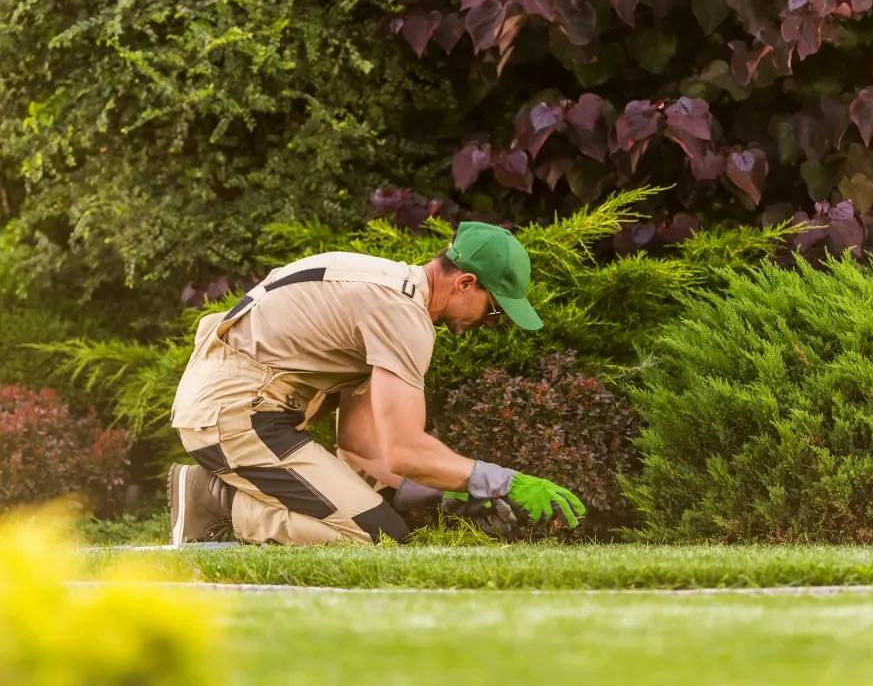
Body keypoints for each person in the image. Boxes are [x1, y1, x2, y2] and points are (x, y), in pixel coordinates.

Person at [168, 220, 585, 546]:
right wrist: (503, 482)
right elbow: (405, 451)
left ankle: (221, 495)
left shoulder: (387, 292)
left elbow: (359, 444)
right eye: (493, 311)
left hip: (243, 408)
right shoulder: (402, 316)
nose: (489, 324)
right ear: (465, 284)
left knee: (383, 517)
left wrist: (442, 491)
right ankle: (215, 499)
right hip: (239, 416)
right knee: (373, 535)